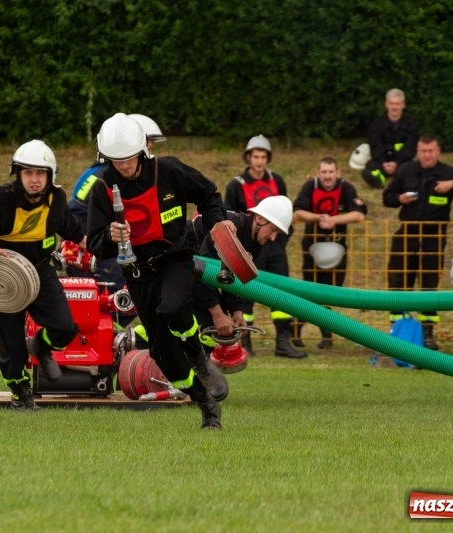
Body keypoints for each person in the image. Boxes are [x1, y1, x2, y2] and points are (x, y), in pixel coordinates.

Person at [87, 112, 232, 429]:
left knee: (174, 306)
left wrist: (218, 222)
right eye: (116, 160)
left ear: (141, 150)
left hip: (175, 258)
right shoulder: (100, 190)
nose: (123, 166)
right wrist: (110, 238)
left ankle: (200, 359)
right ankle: (204, 404)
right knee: (163, 352)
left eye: (128, 158)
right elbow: (96, 244)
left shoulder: (169, 171)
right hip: (138, 274)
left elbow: (208, 194)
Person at [0, 139, 86, 411]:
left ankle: (40, 345)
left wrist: (85, 240)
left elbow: (68, 225)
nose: (34, 180)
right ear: (18, 174)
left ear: (50, 176)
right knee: (11, 347)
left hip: (41, 272)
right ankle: (21, 394)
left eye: (40, 173)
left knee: (65, 328)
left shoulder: (57, 198)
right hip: (3, 278)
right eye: (28, 173)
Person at [67, 114, 165, 329]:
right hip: (99, 249)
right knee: (124, 300)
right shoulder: (111, 177)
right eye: (149, 143)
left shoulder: (94, 171)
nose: (151, 149)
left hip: (83, 247)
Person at [382, 133, 453, 350]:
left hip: (434, 237)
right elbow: (386, 197)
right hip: (406, 234)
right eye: (423, 151)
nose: (427, 155)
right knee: (398, 283)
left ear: (438, 151)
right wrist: (400, 199)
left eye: (431, 151)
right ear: (418, 151)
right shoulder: (406, 170)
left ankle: (427, 335)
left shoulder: (447, 173)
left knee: (429, 285)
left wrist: (452, 184)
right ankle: (397, 332)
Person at [223, 134, 305, 358]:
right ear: (248, 158)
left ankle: (283, 342)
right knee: (246, 292)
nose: (259, 161)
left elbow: (285, 213)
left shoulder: (277, 181)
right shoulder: (236, 185)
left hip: (275, 246)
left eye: (263, 157)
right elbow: (228, 219)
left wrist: (280, 240)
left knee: (281, 294)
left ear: (268, 158)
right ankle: (245, 343)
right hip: (248, 247)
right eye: (255, 156)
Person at [190, 196, 294, 356]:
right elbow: (204, 273)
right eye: (273, 230)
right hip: (183, 267)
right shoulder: (229, 230)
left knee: (215, 332)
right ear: (259, 218)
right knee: (205, 328)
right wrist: (218, 314)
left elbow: (234, 280)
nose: (273, 238)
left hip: (195, 274)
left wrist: (237, 311)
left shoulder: (254, 243)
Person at [293, 157, 367, 349]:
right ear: (318, 173)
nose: (327, 176)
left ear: (338, 172)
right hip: (312, 245)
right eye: (324, 172)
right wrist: (319, 218)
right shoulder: (310, 186)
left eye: (331, 172)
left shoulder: (346, 188)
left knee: (331, 291)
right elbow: (298, 213)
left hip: (338, 246)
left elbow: (359, 215)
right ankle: (301, 330)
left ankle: (322, 333)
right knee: (310, 291)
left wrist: (334, 220)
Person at [361, 88, 420, 189]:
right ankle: (379, 180)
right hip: (381, 163)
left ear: (403, 105)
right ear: (386, 104)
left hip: (402, 163)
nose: (394, 107)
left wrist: (396, 163)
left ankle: (400, 179)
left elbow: (410, 148)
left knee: (413, 167)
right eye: (391, 103)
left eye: (397, 104)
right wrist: (384, 163)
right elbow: (375, 147)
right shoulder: (376, 125)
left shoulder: (411, 125)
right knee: (370, 166)